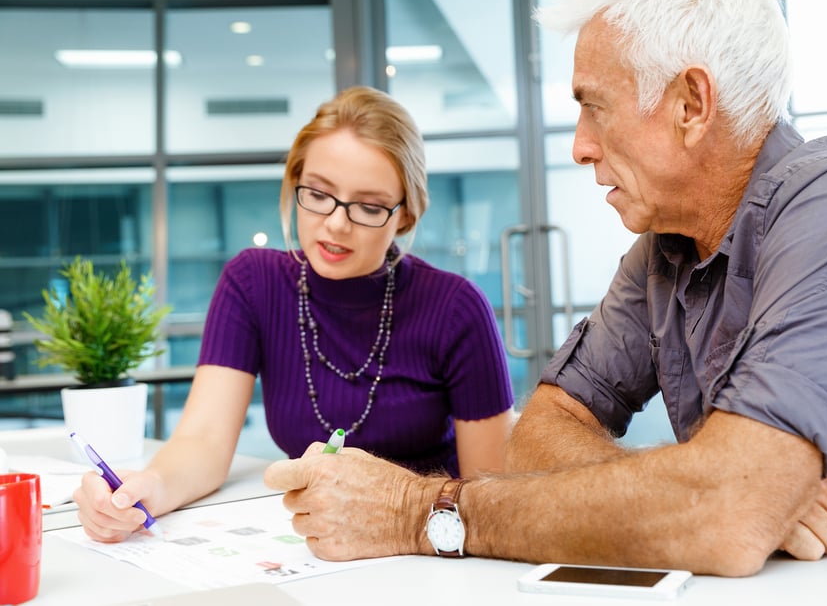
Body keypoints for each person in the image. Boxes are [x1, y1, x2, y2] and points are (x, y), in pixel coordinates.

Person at [263, 0, 827, 576]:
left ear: (691, 103)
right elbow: (539, 437)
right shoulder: (663, 249)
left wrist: (418, 510)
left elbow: (726, 517)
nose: (581, 145)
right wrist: (719, 486)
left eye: (595, 106)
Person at [74, 86, 516, 542]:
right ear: (294, 183)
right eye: (319, 194)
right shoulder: (253, 283)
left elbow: (493, 492)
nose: (337, 223)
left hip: (427, 543)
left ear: (404, 215)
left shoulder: (456, 307)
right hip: (314, 541)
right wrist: (148, 489)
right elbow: (203, 440)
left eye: (368, 206)